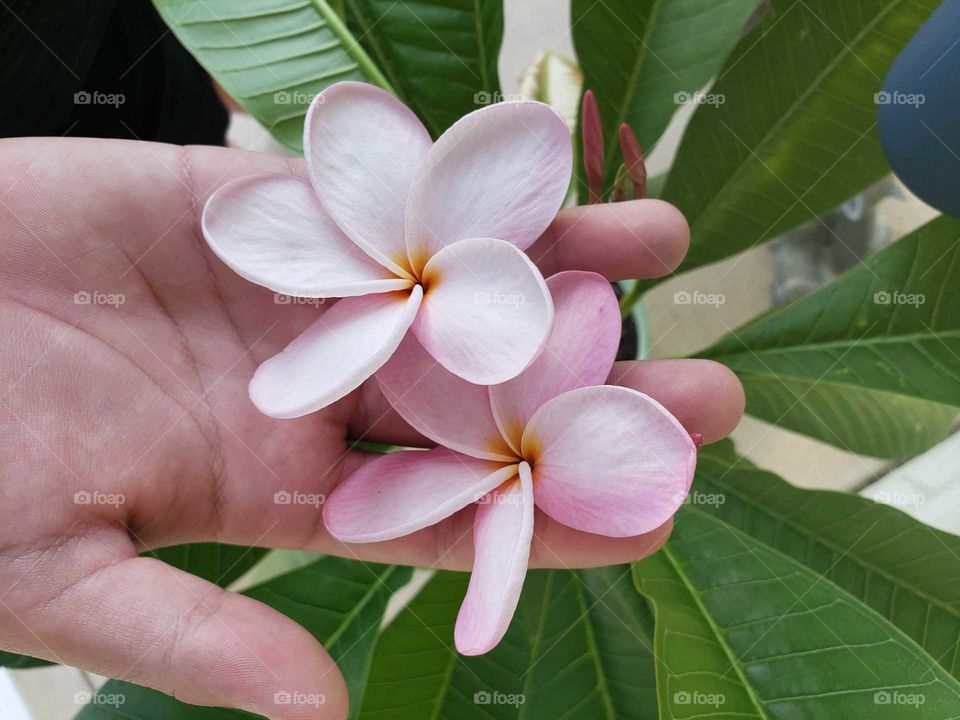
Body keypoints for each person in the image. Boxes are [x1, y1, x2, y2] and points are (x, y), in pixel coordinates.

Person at [0, 136, 744, 719]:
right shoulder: (408, 336)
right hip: (461, 374)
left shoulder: (457, 341)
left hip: (488, 408)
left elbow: (565, 310)